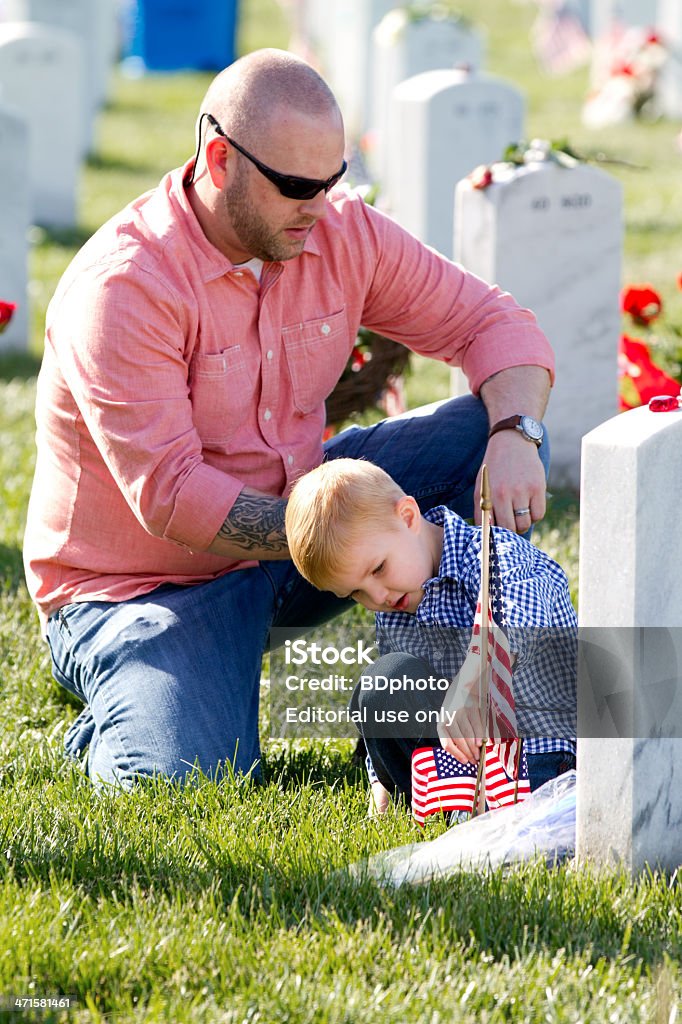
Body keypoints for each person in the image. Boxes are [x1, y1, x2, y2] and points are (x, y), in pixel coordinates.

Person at [23, 47, 556, 789]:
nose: (320, 204)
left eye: (332, 180)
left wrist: (517, 435)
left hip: (296, 531)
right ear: (219, 159)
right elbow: (172, 494)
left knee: (482, 434)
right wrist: (340, 535)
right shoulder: (124, 288)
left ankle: (463, 695)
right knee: (181, 781)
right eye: (297, 186)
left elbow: (491, 323)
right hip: (147, 587)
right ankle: (125, 699)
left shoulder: (338, 231)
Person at [285, 459, 577, 815]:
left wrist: (474, 675)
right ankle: (449, 802)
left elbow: (524, 615)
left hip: (541, 754)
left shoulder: (490, 553)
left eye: (378, 569)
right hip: (464, 756)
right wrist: (381, 777)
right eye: (355, 593)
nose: (377, 597)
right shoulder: (392, 607)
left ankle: (494, 807)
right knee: (381, 683)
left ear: (407, 516)